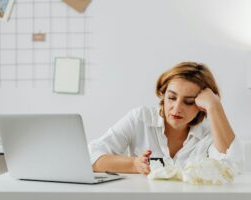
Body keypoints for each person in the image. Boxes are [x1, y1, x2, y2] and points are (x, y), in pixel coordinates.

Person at [89, 61, 242, 175]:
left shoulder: (210, 130)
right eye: (172, 97)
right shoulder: (140, 118)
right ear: (163, 94)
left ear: (201, 105)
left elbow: (233, 168)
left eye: (189, 102)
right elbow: (92, 158)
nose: (176, 108)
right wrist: (134, 164)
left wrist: (215, 106)